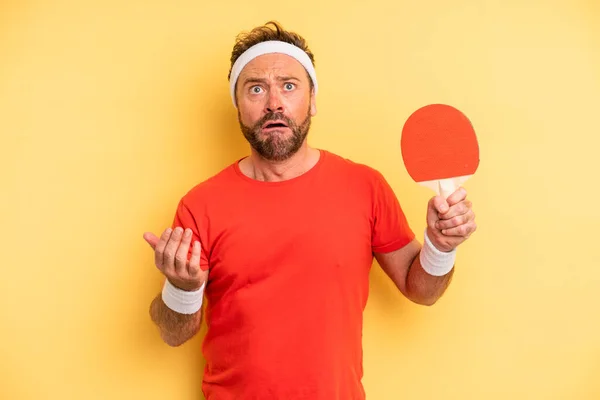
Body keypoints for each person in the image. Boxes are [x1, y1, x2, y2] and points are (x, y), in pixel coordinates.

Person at [143, 21, 477, 400]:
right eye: (256, 88)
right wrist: (182, 289)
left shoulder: (364, 186)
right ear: (238, 106)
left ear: (312, 99)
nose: (274, 102)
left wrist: (440, 246)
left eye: (288, 85)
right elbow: (173, 333)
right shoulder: (199, 205)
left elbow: (422, 291)